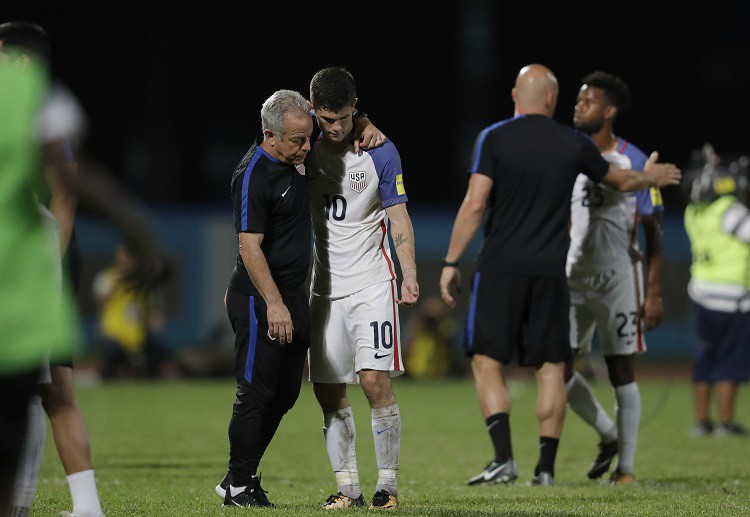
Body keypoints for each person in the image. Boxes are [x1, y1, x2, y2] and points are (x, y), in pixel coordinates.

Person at [438, 64, 681, 487]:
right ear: (551, 100)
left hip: (509, 268)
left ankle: (507, 459)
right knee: (553, 366)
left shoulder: (493, 137)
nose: (576, 105)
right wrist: (651, 177)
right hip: (555, 272)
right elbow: (622, 182)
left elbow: (475, 203)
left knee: (487, 359)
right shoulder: (572, 144)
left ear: (517, 94)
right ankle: (547, 469)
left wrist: (450, 262)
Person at [0, 22, 167, 517]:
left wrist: (53, 259)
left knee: (46, 388)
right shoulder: (44, 100)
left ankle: (56, 504)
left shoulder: (35, 96)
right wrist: (136, 226)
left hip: (31, 267)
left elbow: (67, 188)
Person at [305, 67, 418, 511]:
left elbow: (398, 216)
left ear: (356, 108)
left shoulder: (381, 151)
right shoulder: (302, 151)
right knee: (328, 389)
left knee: (374, 381)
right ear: (314, 111)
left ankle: (386, 487)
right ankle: (347, 487)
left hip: (372, 283)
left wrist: (408, 273)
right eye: (327, 119)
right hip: (323, 290)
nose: (336, 128)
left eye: (346, 118)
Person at [564, 71, 665, 484]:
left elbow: (655, 228)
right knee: (554, 367)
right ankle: (608, 434)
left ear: (609, 111)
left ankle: (625, 469)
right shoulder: (568, 154)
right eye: (577, 99)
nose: (577, 106)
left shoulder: (635, 160)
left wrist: (654, 291)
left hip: (618, 279)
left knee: (621, 368)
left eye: (587, 101)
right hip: (571, 278)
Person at [219, 89, 314, 508]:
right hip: (261, 300)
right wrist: (274, 304)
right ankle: (238, 485)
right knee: (255, 393)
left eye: (308, 137)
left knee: (286, 394)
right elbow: (248, 247)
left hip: (294, 295)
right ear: (269, 135)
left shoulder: (292, 151)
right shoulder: (254, 174)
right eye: (297, 141)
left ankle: (239, 477)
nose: (307, 147)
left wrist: (365, 124)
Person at [684, 143, 750, 437]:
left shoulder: (693, 212)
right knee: (729, 361)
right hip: (732, 298)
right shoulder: (729, 211)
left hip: (701, 294)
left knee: (705, 358)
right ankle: (724, 423)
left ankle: (702, 422)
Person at [93, 242, 166, 380]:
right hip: (112, 335)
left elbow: (148, 312)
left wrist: (153, 320)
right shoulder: (107, 277)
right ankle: (106, 379)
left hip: (136, 337)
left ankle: (149, 383)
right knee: (112, 352)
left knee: (159, 350)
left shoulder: (140, 283)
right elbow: (101, 298)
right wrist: (120, 279)